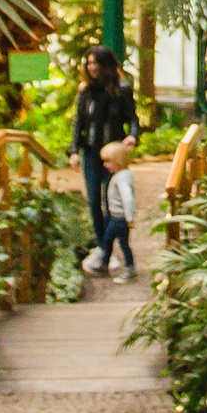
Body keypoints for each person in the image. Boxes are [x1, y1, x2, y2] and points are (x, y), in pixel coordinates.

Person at [74, 46, 137, 273]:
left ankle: (109, 249)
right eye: (89, 63)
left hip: (112, 154)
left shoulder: (122, 89)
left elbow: (132, 118)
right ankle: (103, 248)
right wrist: (74, 150)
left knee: (111, 201)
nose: (92, 68)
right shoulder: (85, 91)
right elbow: (78, 122)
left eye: (96, 63)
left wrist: (132, 135)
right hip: (90, 153)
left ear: (106, 65)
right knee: (93, 202)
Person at [95, 139, 140, 282]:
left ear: (118, 161)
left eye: (108, 161)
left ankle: (130, 268)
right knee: (107, 239)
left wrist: (129, 217)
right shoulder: (120, 175)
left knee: (123, 243)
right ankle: (104, 264)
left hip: (121, 218)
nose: (105, 165)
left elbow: (127, 198)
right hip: (115, 217)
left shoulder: (122, 178)